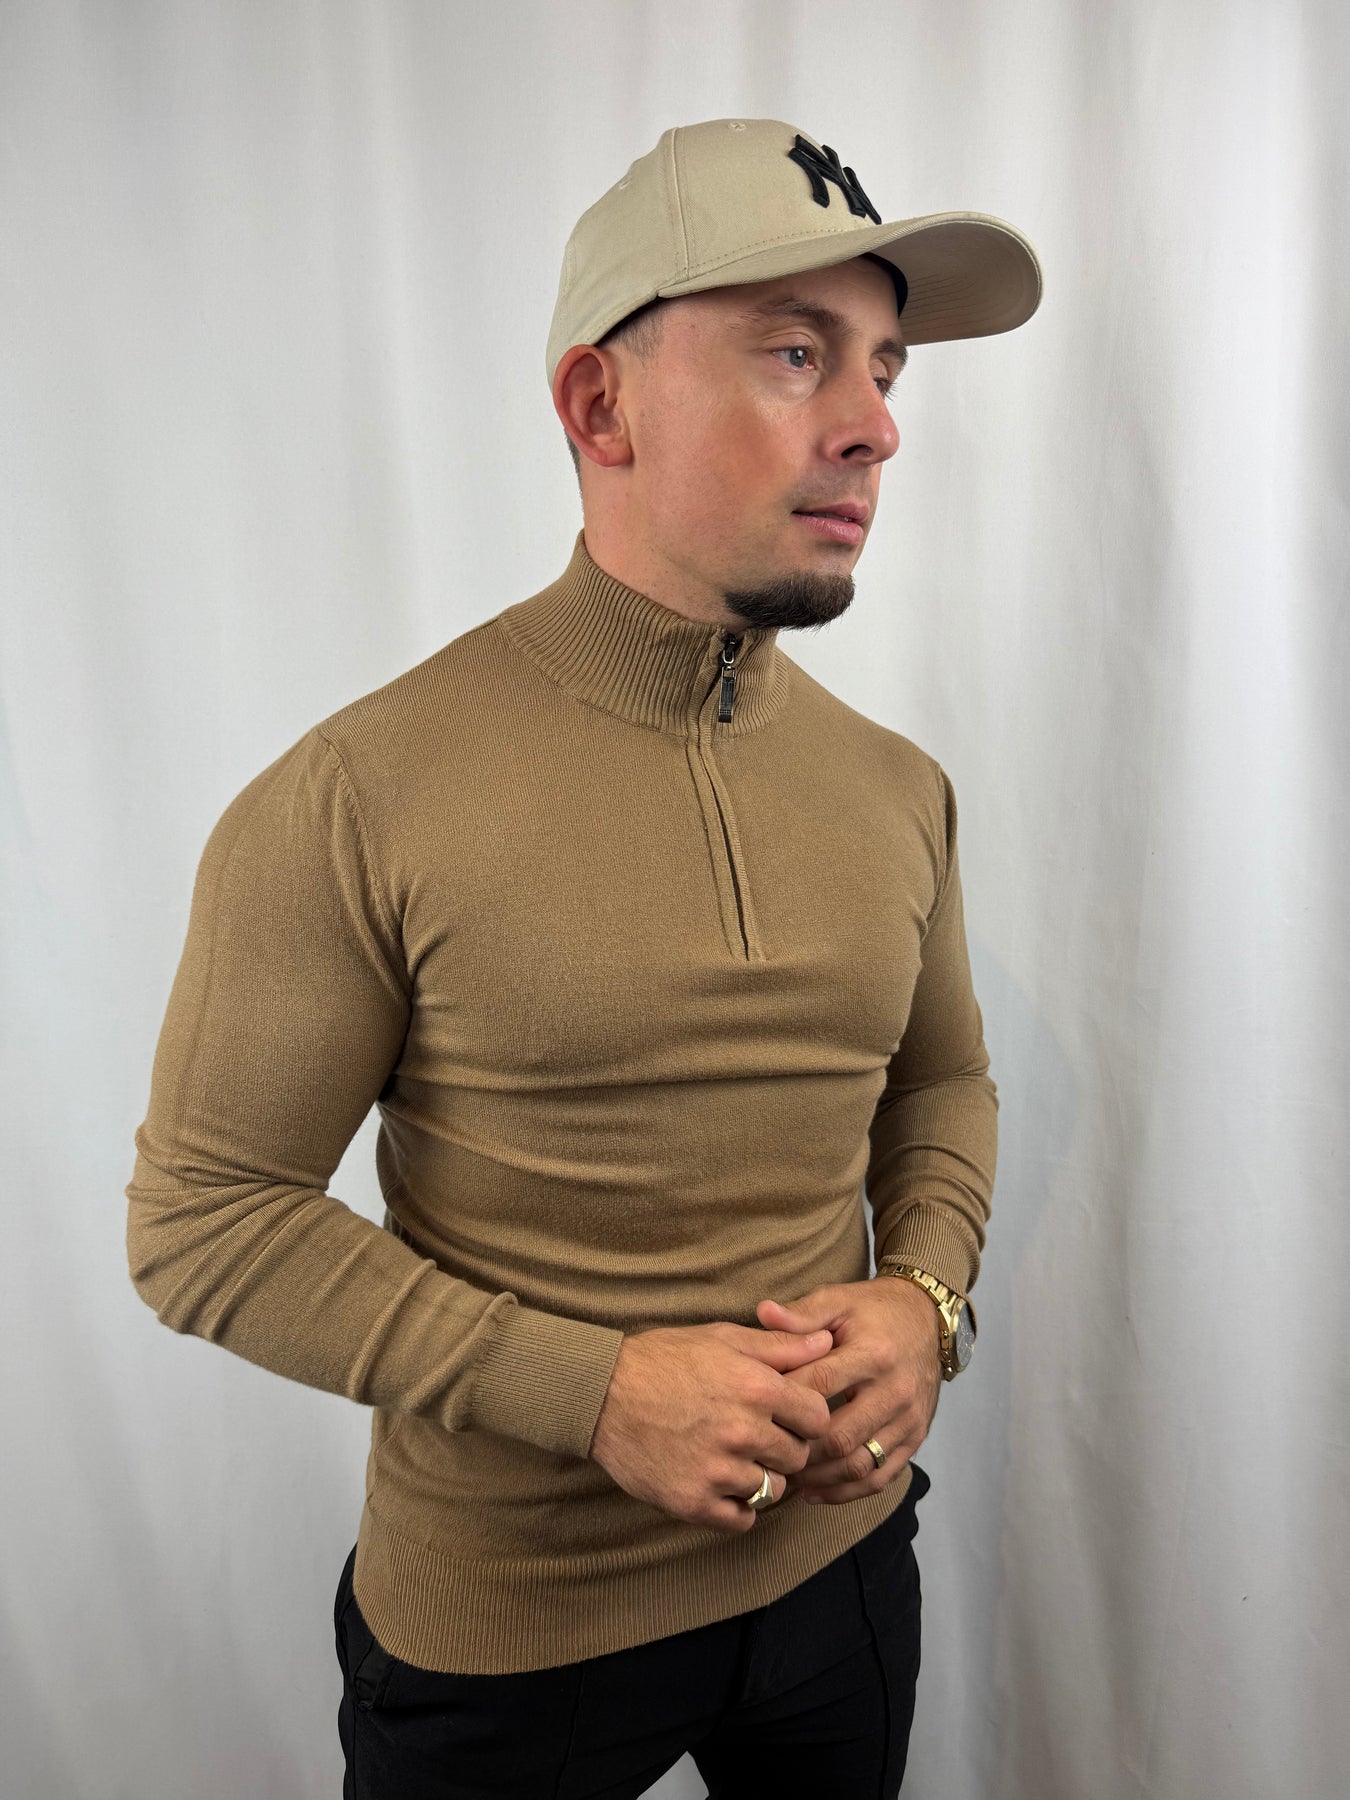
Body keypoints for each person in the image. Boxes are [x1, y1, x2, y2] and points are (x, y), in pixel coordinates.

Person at [125, 116, 1040, 1798]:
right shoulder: (357, 794)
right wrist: (594, 1390)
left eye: (884, 365)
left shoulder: (896, 786)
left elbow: (941, 1081)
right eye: (794, 352)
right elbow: (204, 1221)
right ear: (598, 406)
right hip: (509, 1637)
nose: (874, 425)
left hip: (840, 1571)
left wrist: (922, 1299)